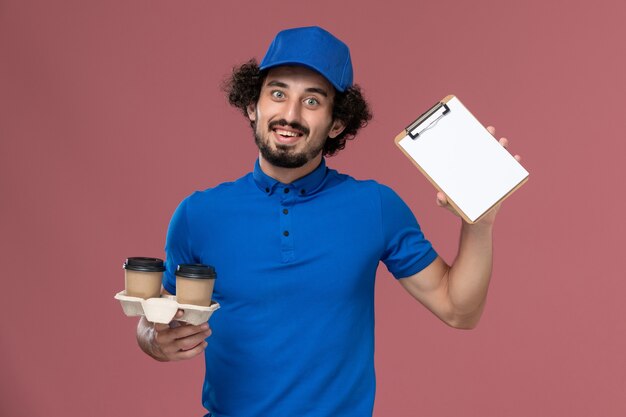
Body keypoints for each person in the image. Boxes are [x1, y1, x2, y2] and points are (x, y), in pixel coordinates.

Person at [136, 26, 521, 417]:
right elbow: (159, 317)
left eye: (313, 101)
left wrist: (480, 222)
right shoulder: (197, 214)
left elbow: (459, 310)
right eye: (278, 93)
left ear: (337, 123)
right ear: (253, 106)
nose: (290, 114)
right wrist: (152, 337)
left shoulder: (375, 206)